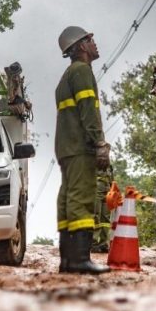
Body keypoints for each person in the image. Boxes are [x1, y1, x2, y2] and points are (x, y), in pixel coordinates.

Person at [55, 26, 111, 274]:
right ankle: (79, 259)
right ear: (80, 47)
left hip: (67, 147)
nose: (94, 42)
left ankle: (68, 260)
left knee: (68, 198)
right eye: (90, 39)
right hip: (80, 147)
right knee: (81, 198)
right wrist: (99, 143)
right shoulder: (81, 71)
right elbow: (89, 110)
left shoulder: (67, 75)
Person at [91, 165, 113, 253]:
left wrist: (112, 190)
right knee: (96, 215)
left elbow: (111, 180)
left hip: (107, 191)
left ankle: (103, 243)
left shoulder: (109, 166)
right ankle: (93, 243)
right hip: (96, 189)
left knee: (106, 218)